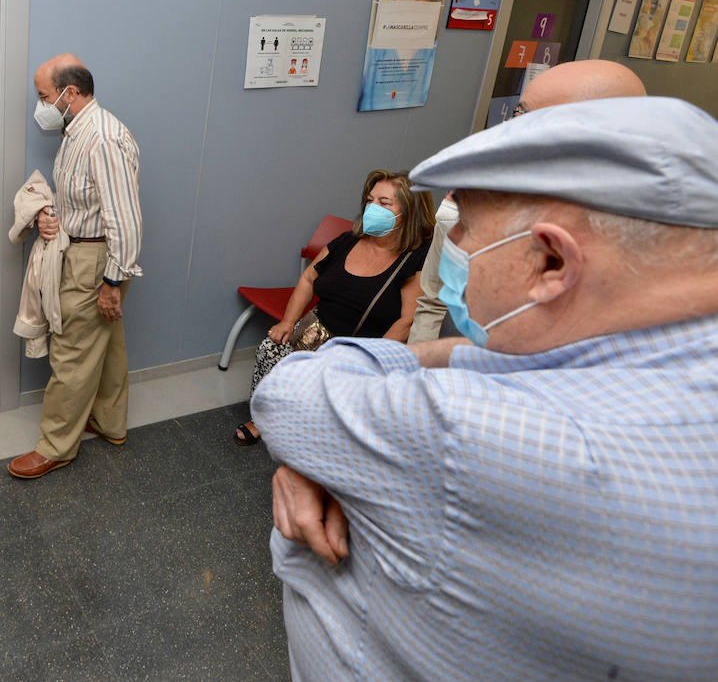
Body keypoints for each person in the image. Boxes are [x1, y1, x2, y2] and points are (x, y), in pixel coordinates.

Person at [255, 96, 718, 680]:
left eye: (466, 229)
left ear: (552, 262)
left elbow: (288, 396)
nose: (454, 250)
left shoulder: (474, 426)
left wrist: (317, 452)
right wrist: (326, 453)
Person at [408, 59, 647, 342]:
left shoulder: (632, 257)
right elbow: (437, 303)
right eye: (517, 111)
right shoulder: (492, 197)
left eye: (526, 115)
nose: (508, 125)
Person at [8, 54, 143, 479]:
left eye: (44, 96)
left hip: (96, 261)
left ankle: (56, 446)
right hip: (83, 250)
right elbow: (85, 201)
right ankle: (108, 422)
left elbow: (125, 219)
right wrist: (50, 215)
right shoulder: (77, 131)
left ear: (70, 93)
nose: (41, 105)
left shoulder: (102, 138)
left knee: (70, 354)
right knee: (108, 345)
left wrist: (111, 282)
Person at [233, 169, 433, 445]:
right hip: (318, 329)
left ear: (408, 212)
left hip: (361, 346)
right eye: (370, 200)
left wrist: (370, 361)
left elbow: (406, 322)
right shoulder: (348, 241)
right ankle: (264, 418)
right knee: (273, 348)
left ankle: (311, 427)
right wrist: (288, 321)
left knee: (333, 400)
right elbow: (308, 277)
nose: (372, 208)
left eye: (384, 203)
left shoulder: (415, 259)